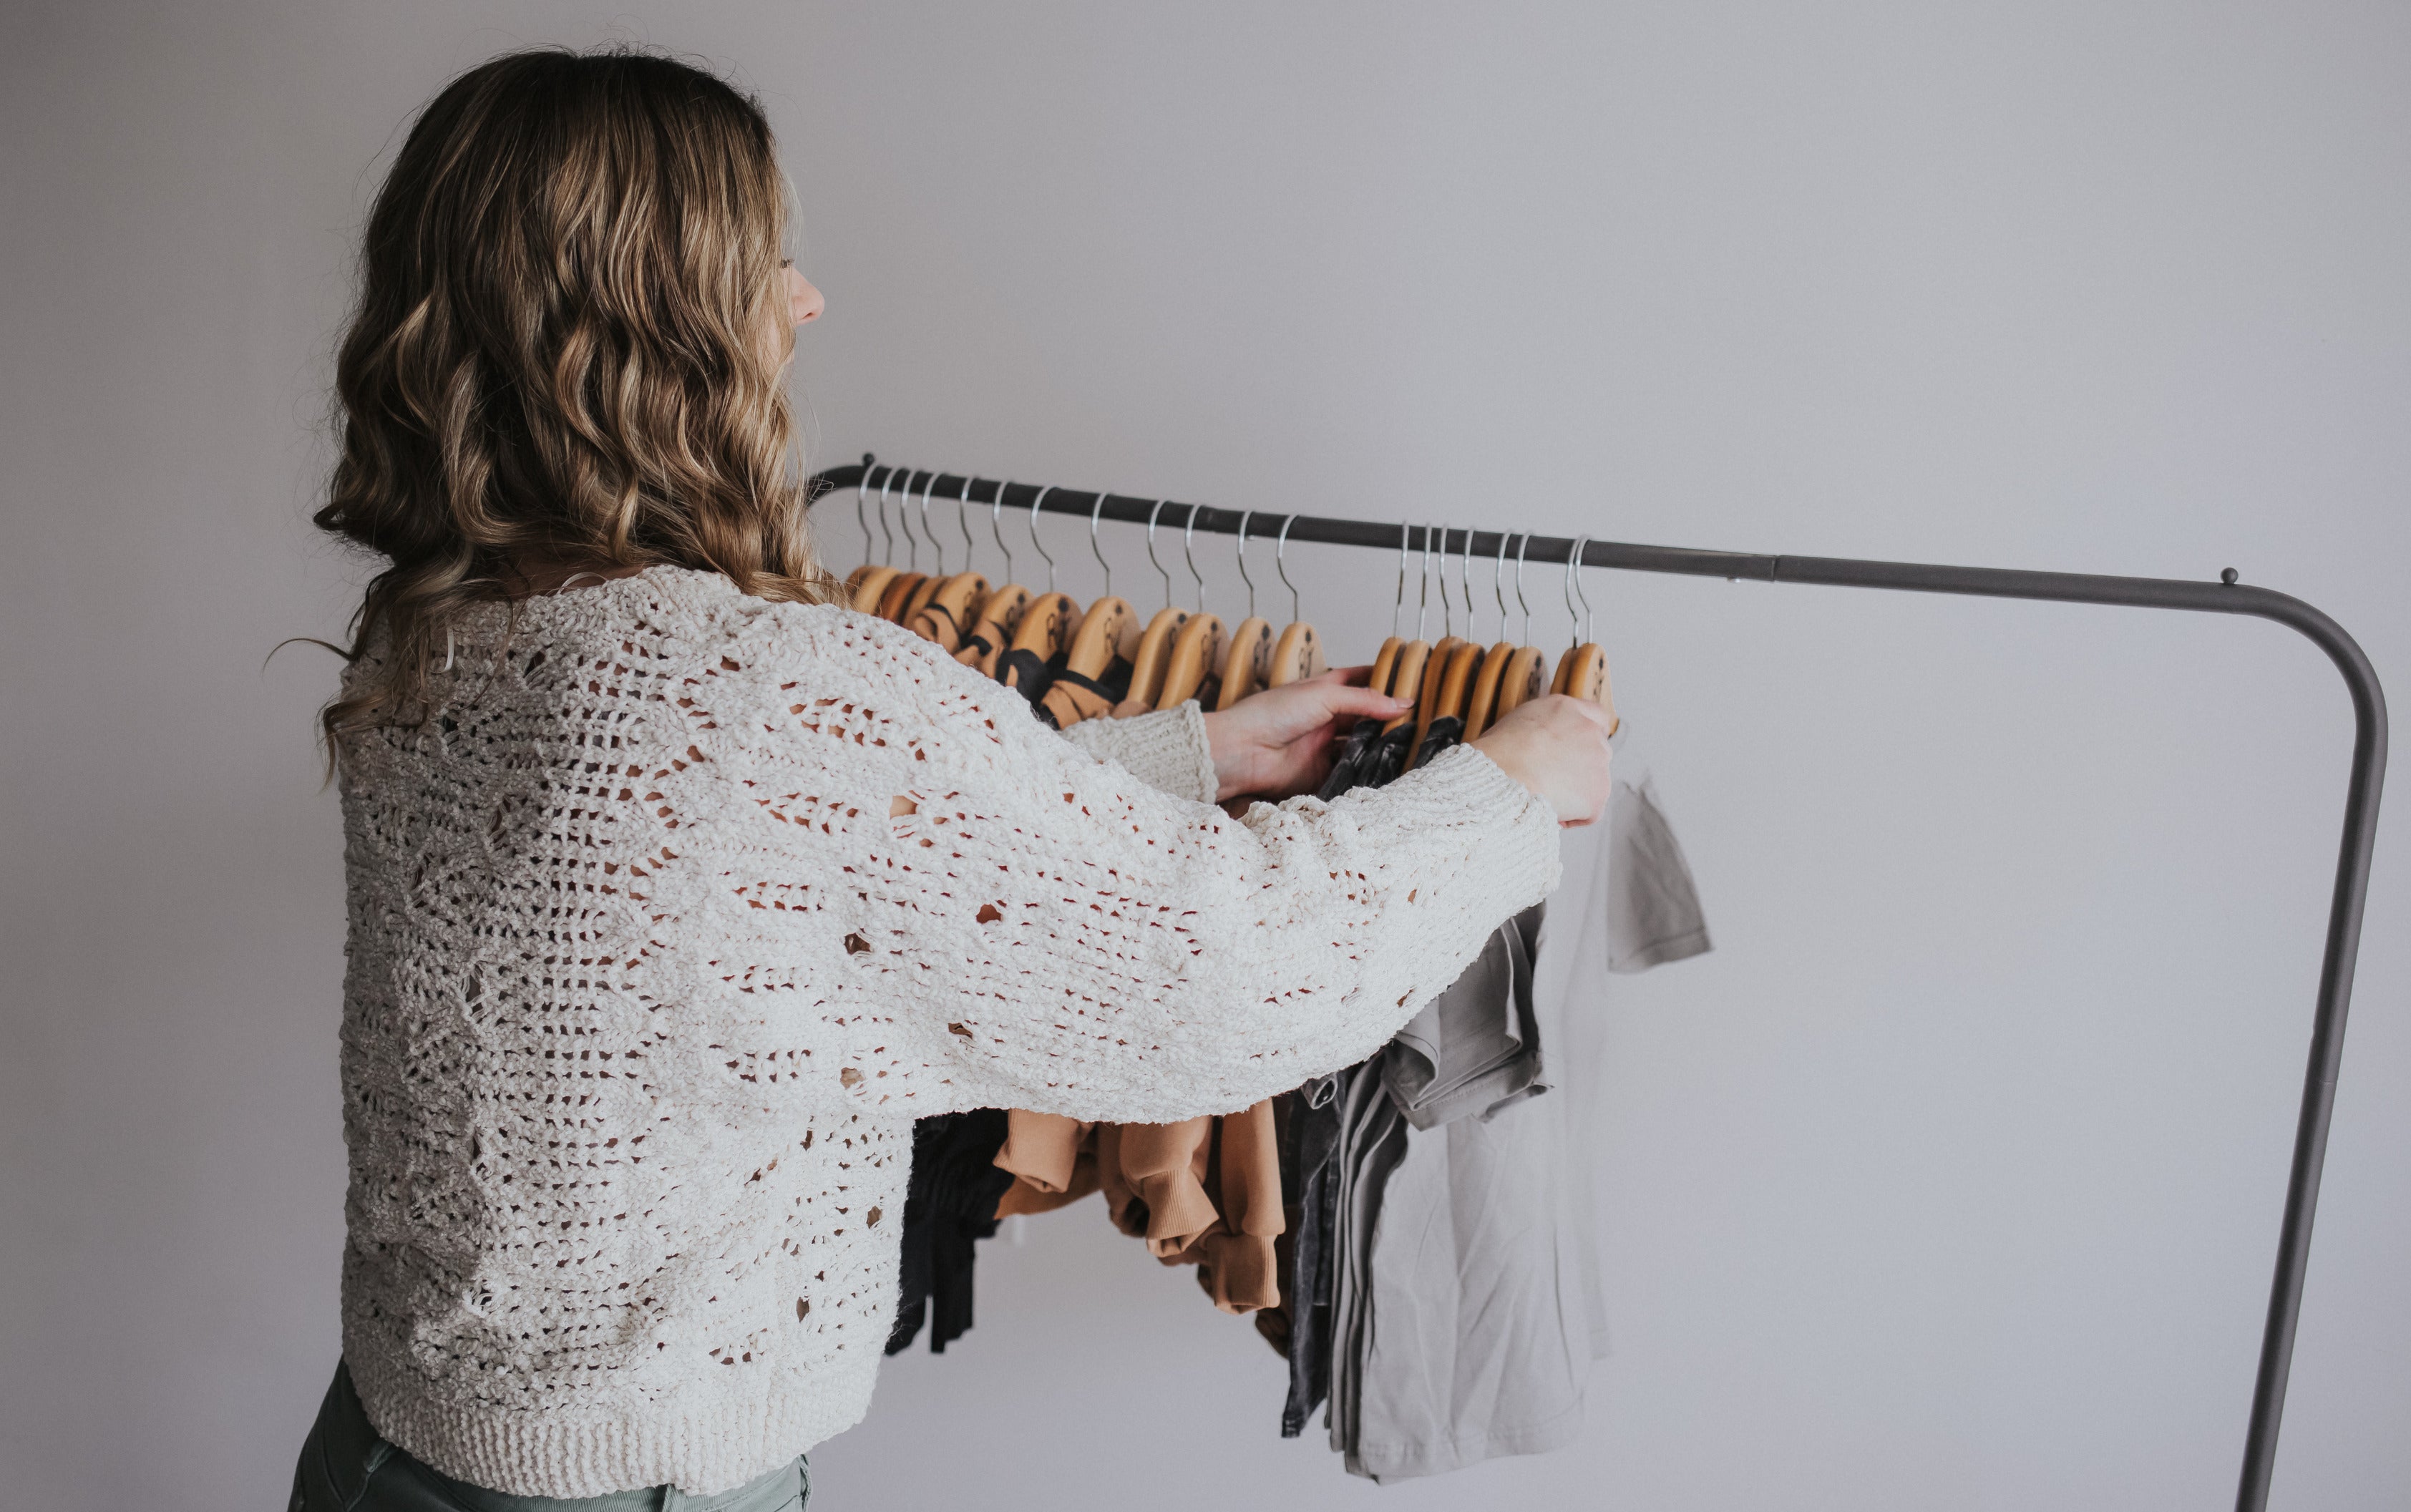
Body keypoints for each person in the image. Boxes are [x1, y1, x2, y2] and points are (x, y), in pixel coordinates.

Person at [290, 46, 1613, 1512]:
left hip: (381, 1451)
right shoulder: (767, 686)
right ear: (656, 318)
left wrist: (1193, 753)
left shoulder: (442, 630)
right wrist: (1501, 789)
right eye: (766, 260)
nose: (803, 300)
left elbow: (752, 894)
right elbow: (1227, 964)